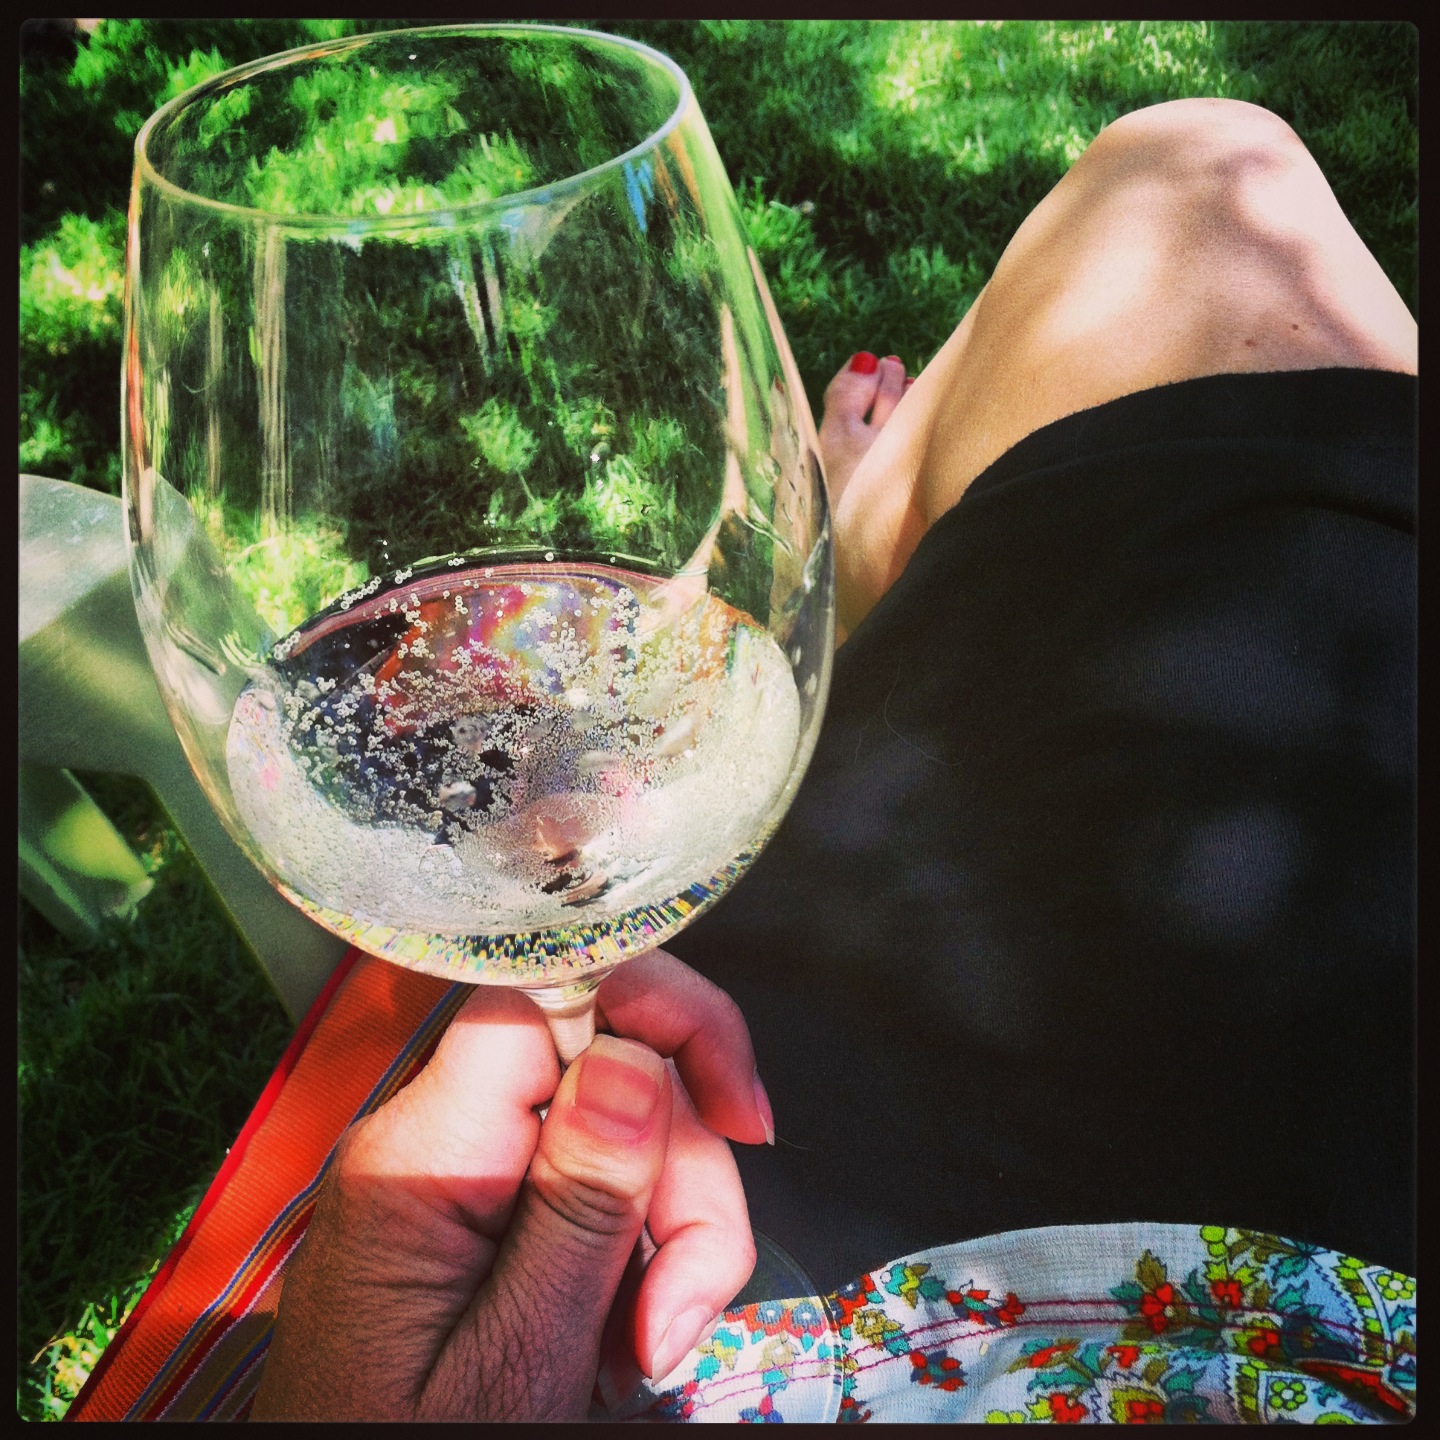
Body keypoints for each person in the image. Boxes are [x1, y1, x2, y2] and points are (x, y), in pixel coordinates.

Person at [252, 99, 1416, 1422]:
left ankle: (857, 564)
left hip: (858, 1304)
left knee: (1199, 180)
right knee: (1205, 184)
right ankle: (856, 565)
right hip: (1310, 1299)